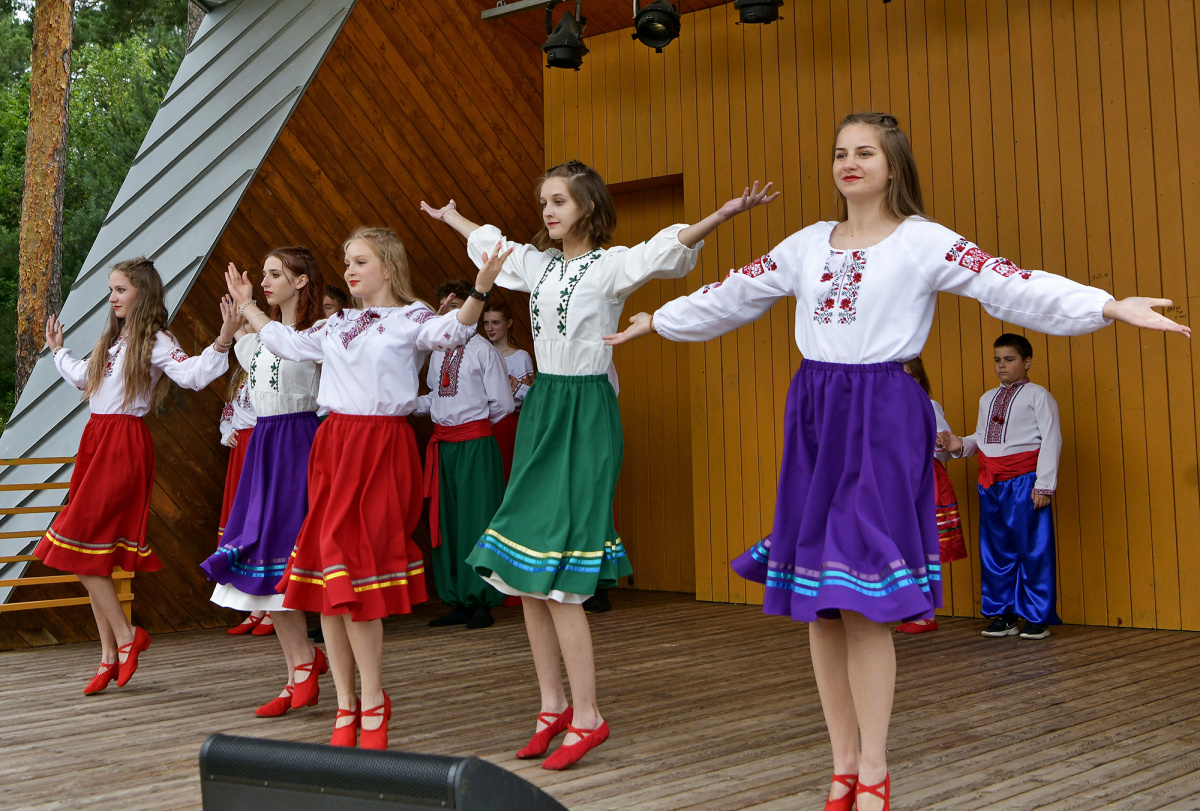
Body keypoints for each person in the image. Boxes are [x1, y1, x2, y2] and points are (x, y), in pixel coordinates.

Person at [604, 112, 1187, 811]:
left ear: (893, 166)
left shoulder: (922, 241)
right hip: (816, 411)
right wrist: (659, 319)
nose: (849, 163)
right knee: (821, 603)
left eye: (866, 152)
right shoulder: (806, 244)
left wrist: (1107, 305)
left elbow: (1010, 282)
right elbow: (735, 292)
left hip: (884, 413)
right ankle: (842, 764)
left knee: (861, 599)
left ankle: (875, 768)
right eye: (840, 152)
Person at [421, 161, 778, 769]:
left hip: (586, 411)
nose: (548, 211)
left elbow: (664, 249)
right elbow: (490, 243)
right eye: (544, 202)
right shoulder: (537, 266)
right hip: (542, 410)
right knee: (520, 572)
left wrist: (722, 214)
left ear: (586, 206)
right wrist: (452, 216)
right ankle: (551, 707)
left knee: (561, 577)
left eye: (559, 200)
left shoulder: (610, 265)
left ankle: (588, 717)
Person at [226, 226, 504, 749]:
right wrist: (248, 306)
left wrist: (481, 288)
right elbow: (286, 343)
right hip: (333, 447)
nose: (349, 270)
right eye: (347, 261)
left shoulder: (412, 318)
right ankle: (346, 704)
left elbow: (453, 331)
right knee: (326, 576)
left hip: (380, 449)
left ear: (389, 267)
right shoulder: (337, 323)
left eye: (360, 261)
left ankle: (373, 700)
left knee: (357, 576)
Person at [40, 257, 238, 694]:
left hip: (121, 444)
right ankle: (109, 655)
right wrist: (58, 351)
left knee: (78, 546)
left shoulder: (156, 340)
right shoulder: (114, 342)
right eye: (111, 290)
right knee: (89, 552)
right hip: (96, 441)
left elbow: (192, 375)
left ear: (142, 293)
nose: (112, 298)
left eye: (120, 290)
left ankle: (128, 638)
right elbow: (85, 379)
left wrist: (224, 339)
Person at [202, 247, 330, 717]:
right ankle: (300, 666)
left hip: (302, 443)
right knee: (262, 556)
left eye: (275, 273)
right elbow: (239, 354)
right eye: (264, 274)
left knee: (291, 556)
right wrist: (234, 321)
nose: (266, 281)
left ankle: (312, 668)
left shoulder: (318, 333)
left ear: (301, 281)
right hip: (265, 445)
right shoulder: (259, 339)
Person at [939, 334, 1061, 640]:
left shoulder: (1039, 396)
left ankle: (1036, 616)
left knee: (1033, 549)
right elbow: (983, 439)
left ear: (1027, 362)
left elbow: (1051, 439)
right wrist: (958, 444)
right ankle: (1003, 614)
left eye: (1009, 359)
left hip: (1025, 483)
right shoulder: (987, 398)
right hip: (990, 483)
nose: (1002, 366)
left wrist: (1044, 485)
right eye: (997, 360)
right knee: (995, 550)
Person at [415, 294, 514, 630]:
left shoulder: (483, 350)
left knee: (478, 519)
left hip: (474, 444)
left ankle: (483, 599)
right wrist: (403, 404)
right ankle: (457, 597)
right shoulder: (438, 351)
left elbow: (502, 404)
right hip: (444, 445)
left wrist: (472, 427)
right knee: (449, 520)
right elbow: (435, 396)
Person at [893, 357, 966, 635]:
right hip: (895, 483)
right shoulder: (882, 408)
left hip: (923, 482)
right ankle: (903, 608)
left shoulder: (929, 406)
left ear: (920, 380)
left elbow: (944, 453)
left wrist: (940, 443)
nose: (903, 382)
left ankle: (925, 613)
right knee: (896, 546)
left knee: (922, 547)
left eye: (909, 376)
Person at [217, 368, 267, 637]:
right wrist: (228, 432)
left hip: (263, 443)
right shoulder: (240, 372)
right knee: (244, 527)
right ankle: (256, 608)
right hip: (243, 447)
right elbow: (230, 410)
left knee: (262, 524)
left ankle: (272, 609)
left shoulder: (269, 366)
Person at [482, 300, 535, 481]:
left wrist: (515, 387)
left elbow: (532, 399)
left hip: (509, 424)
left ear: (509, 323)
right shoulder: (482, 355)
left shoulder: (520, 357)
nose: (490, 328)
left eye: (495, 322)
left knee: (506, 473)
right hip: (483, 423)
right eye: (486, 323)